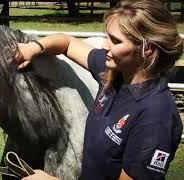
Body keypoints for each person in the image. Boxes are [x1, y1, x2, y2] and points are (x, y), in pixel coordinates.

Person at [14, 0, 184, 179]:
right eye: (107, 37)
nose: (104, 46)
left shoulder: (156, 117)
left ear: (147, 49)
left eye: (116, 41)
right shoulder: (113, 72)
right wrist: (33, 47)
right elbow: (68, 43)